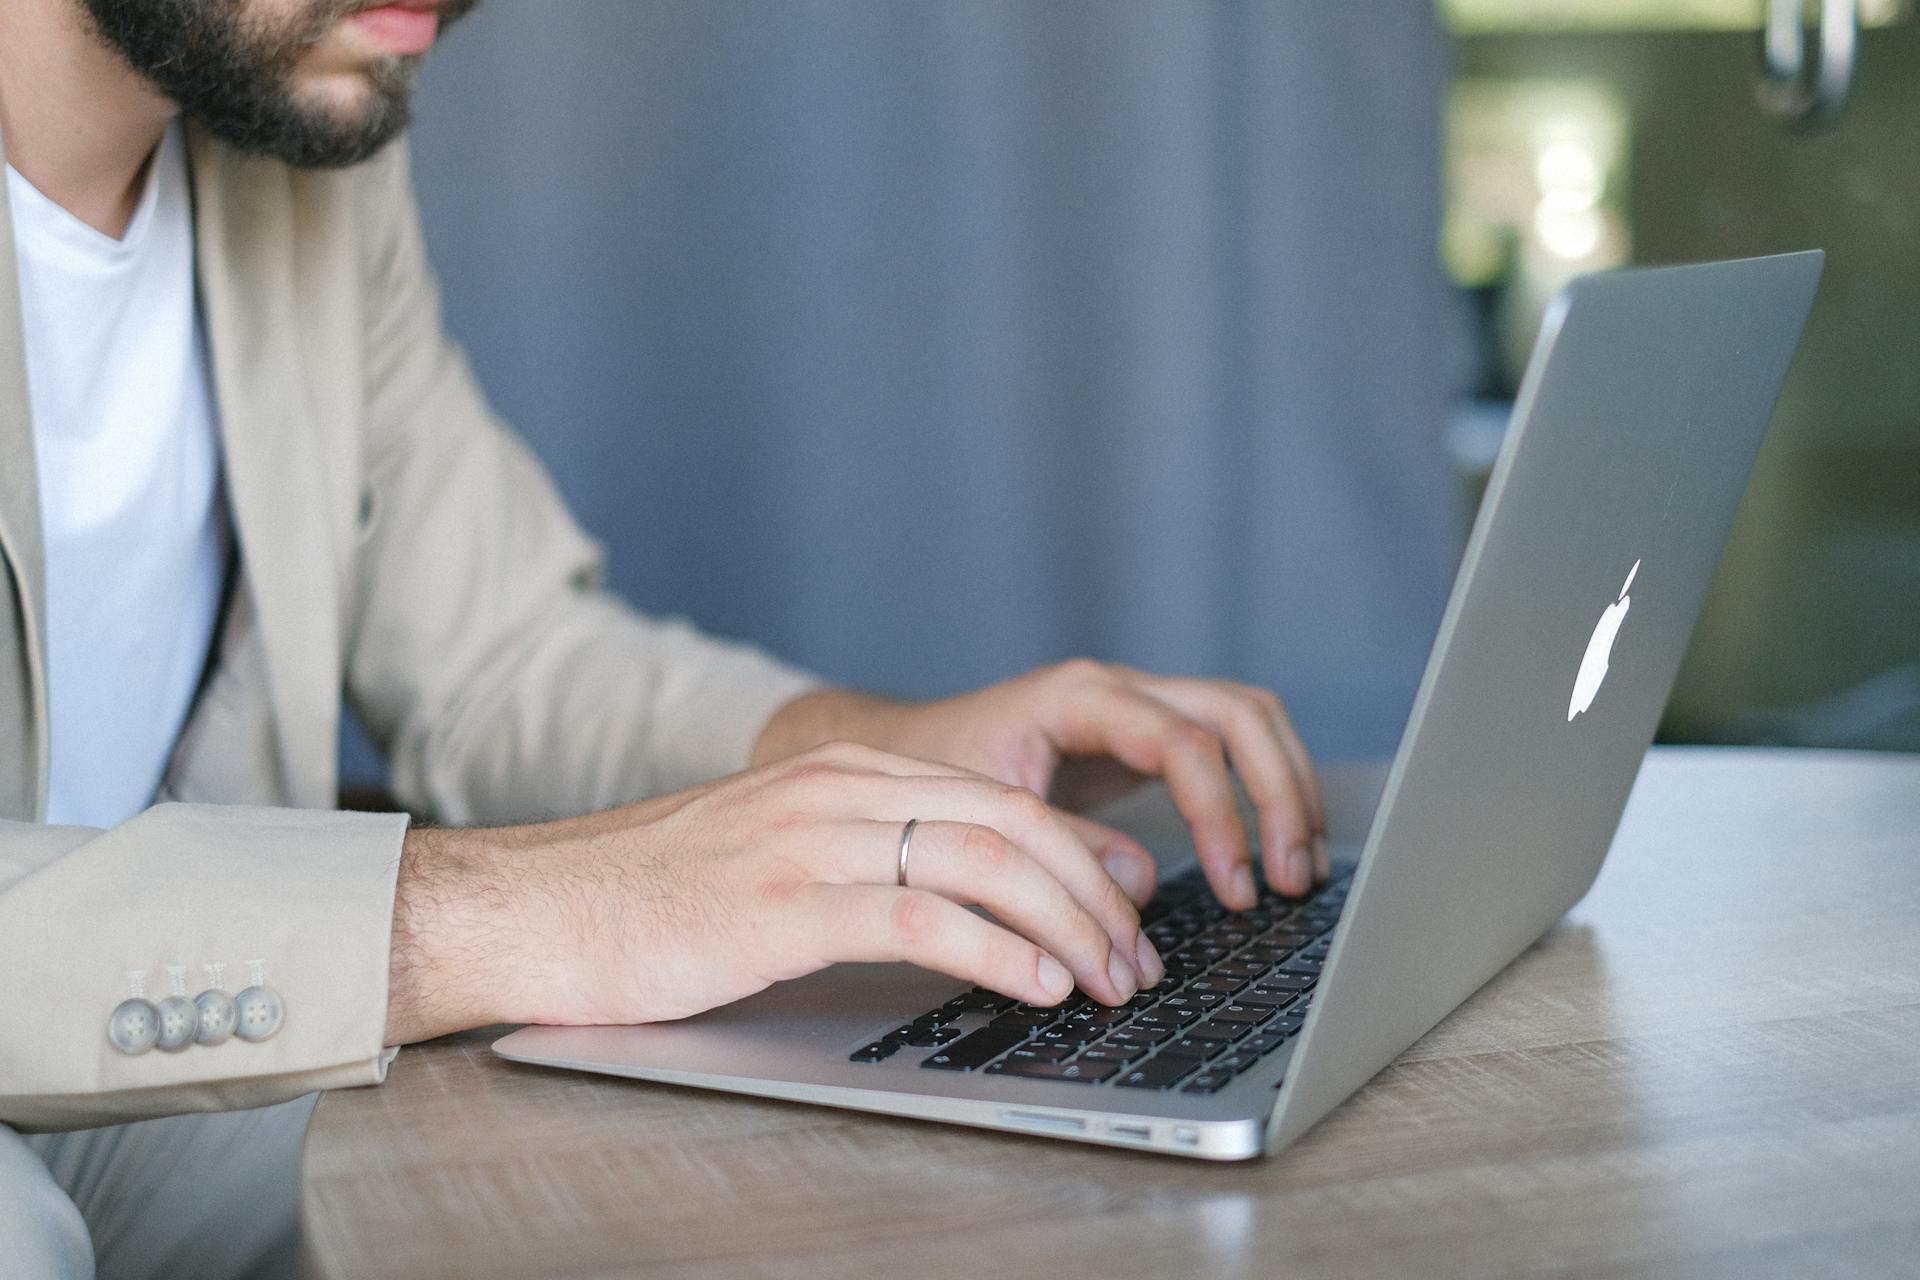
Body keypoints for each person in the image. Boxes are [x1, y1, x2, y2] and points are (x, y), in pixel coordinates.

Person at [0, 1, 1329, 1275]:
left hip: (160, 1049)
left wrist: (879, 757)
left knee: (801, 1152)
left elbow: (494, 658)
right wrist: (511, 915)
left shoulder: (299, 141)